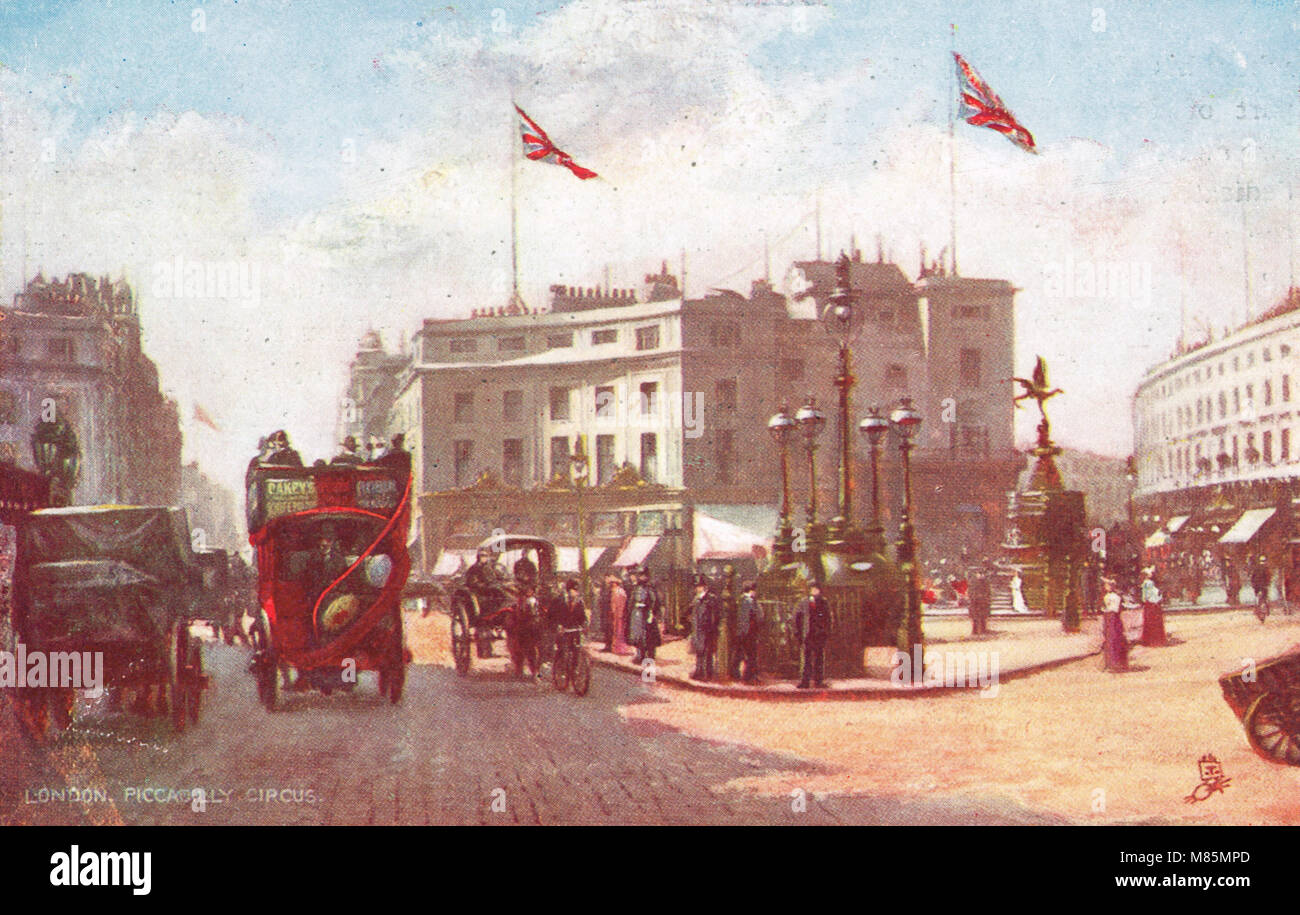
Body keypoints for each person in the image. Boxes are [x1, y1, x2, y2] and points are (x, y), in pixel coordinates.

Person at [793, 581, 831, 689]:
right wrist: (798, 633)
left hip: (819, 635)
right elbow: (796, 618)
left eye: (817, 589)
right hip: (807, 634)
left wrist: (826, 631)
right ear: (809, 590)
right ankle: (805, 681)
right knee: (806, 659)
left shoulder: (824, 602)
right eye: (813, 589)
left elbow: (828, 618)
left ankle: (818, 681)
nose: (815, 591)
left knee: (819, 658)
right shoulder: (803, 602)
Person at [689, 576, 722, 681]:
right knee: (699, 650)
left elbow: (715, 615)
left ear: (705, 587)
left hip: (707, 629)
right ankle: (699, 671)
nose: (697, 589)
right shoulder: (696, 599)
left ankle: (708, 673)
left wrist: (713, 627)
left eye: (700, 587)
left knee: (707, 652)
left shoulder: (711, 598)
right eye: (697, 587)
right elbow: (692, 612)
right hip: (697, 628)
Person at [628, 566, 661, 665]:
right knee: (637, 636)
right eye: (640, 576)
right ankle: (640, 656)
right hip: (637, 614)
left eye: (643, 576)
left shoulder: (650, 588)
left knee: (648, 637)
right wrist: (631, 610)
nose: (642, 578)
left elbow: (655, 601)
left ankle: (649, 656)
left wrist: (651, 613)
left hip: (646, 614)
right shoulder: (636, 587)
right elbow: (632, 600)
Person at [465, 548, 510, 617]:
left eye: (485, 556)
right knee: (497, 590)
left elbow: (496, 575)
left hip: (491, 585)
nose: (484, 558)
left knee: (505, 589)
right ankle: (493, 611)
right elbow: (472, 581)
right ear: (478, 557)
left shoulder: (489, 567)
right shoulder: (474, 568)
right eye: (482, 556)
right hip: (479, 589)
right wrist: (482, 584)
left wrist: (502, 579)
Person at [733, 581, 762, 683]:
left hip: (742, 631)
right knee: (751, 655)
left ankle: (741, 675)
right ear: (752, 590)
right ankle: (748, 676)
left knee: (741, 654)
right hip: (748, 632)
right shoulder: (749, 601)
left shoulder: (741, 600)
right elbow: (758, 615)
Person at [1101, 578, 1128, 672]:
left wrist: (1108, 611)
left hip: (1114, 619)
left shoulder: (1116, 597)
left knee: (1115, 638)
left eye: (1107, 585)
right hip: (1109, 619)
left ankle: (1117, 662)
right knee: (1109, 639)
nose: (1106, 587)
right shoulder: (1107, 596)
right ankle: (1110, 663)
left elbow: (1115, 609)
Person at [1139, 566, 1167, 646]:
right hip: (1151, 603)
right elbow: (1147, 595)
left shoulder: (1149, 583)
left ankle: (1151, 640)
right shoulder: (1147, 583)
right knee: (1153, 621)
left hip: (1152, 603)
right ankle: (1154, 640)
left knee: (1151, 621)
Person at [968, 567, 992, 636]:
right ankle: (974, 631)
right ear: (976, 574)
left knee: (983, 617)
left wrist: (985, 599)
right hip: (975, 602)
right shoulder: (973, 582)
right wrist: (974, 598)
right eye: (979, 574)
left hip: (983, 603)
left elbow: (988, 592)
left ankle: (983, 630)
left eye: (982, 574)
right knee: (975, 618)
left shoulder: (986, 583)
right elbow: (970, 592)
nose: (981, 575)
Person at [1251, 558, 1271, 622]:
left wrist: (1253, 585)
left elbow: (1252, 577)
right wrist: (1268, 584)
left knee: (1257, 597)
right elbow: (1268, 577)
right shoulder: (1266, 568)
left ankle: (1256, 608)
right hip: (1264, 586)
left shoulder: (1256, 568)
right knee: (1265, 598)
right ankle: (1267, 610)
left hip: (1256, 586)